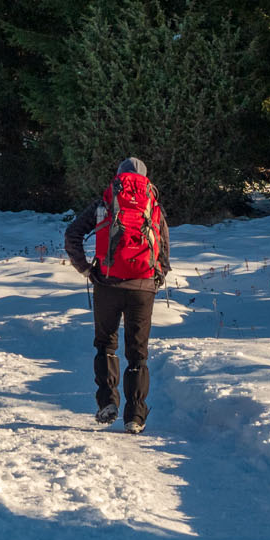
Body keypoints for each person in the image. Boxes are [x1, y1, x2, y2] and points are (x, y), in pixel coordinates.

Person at [64, 156, 171, 434]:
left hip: (108, 284)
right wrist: (157, 277)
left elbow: (72, 234)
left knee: (105, 345)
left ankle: (107, 402)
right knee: (138, 354)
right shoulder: (153, 206)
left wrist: (87, 269)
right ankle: (135, 416)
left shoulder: (104, 204)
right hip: (143, 287)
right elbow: (164, 248)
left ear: (118, 178)